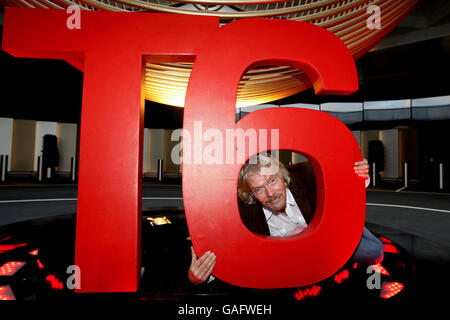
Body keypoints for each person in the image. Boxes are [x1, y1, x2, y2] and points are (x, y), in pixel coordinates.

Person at [188, 154, 384, 285]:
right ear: (251, 194)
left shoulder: (307, 176)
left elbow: (345, 172)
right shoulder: (246, 213)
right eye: (258, 189)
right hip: (295, 259)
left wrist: (359, 172)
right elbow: (225, 250)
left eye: (272, 181)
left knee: (375, 251)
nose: (270, 193)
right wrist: (198, 277)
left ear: (283, 177)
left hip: (327, 237)